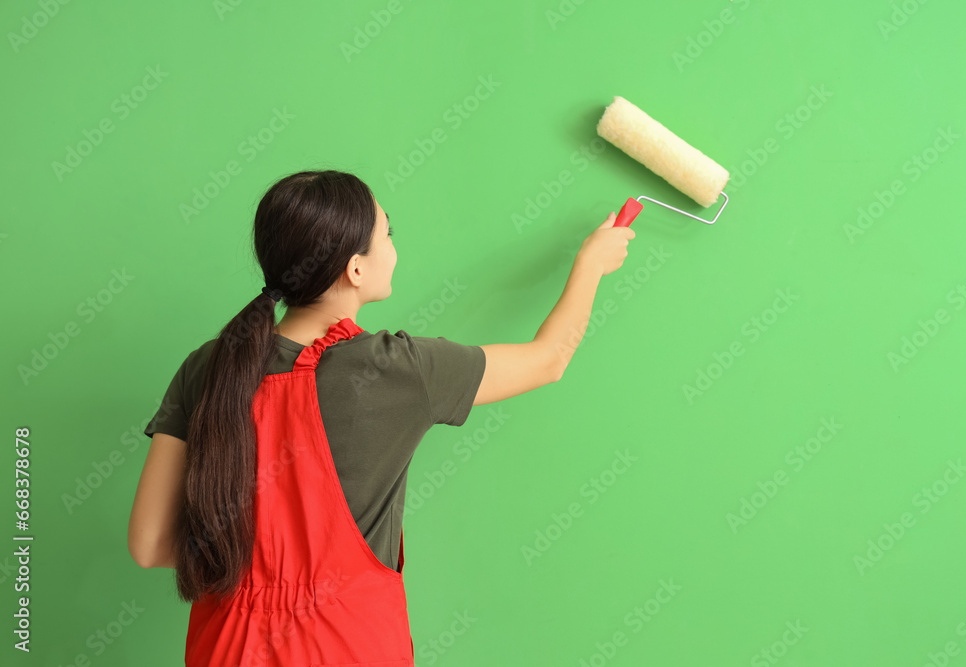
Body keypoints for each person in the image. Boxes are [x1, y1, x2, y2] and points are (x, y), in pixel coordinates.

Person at [127, 169, 635, 665]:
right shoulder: (398, 369)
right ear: (355, 269)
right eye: (387, 232)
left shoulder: (207, 367)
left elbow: (149, 546)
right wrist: (591, 264)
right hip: (345, 644)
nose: (393, 245)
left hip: (226, 648)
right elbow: (550, 358)